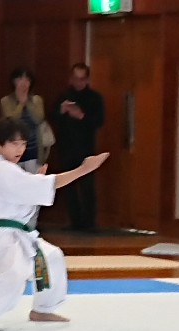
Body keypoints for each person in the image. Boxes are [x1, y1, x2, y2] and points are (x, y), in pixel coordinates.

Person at [0, 118, 109, 331]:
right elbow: (38, 187)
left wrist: (35, 183)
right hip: (2, 239)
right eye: (14, 144)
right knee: (14, 277)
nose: (19, 149)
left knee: (52, 257)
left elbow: (24, 195)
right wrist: (82, 169)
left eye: (23, 144)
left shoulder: (8, 169)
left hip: (19, 235)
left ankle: (43, 309)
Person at [52, 63, 105, 232]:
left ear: (87, 79)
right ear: (71, 78)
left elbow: (99, 121)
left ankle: (89, 222)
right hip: (66, 147)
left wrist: (81, 116)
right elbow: (52, 119)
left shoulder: (95, 98)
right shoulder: (63, 96)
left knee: (87, 186)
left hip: (86, 147)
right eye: (75, 78)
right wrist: (61, 111)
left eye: (82, 79)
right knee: (69, 186)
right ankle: (74, 221)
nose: (78, 82)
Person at [0, 67, 47, 228]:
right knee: (15, 189)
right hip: (14, 153)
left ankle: (31, 225)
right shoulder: (6, 101)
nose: (24, 83)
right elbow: (11, 119)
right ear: (14, 81)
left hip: (34, 150)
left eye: (27, 79)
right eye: (20, 79)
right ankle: (15, 223)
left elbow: (39, 118)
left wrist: (27, 101)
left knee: (34, 188)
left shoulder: (36, 100)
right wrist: (20, 103)